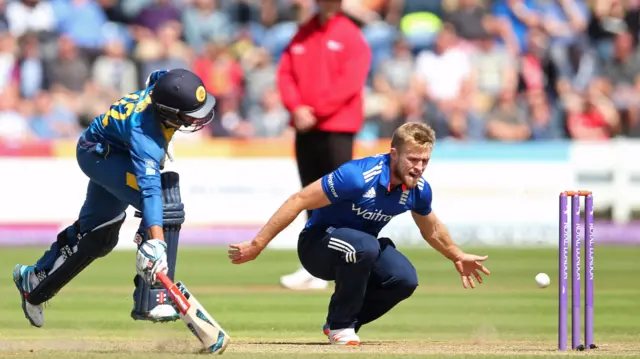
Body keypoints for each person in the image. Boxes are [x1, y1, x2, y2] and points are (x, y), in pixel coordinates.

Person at [228, 122, 491, 345]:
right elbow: (299, 200)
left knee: (404, 279)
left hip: (361, 248)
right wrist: (257, 244)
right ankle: (341, 325)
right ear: (393, 154)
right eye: (413, 159)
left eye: (425, 161)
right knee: (365, 245)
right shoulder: (357, 177)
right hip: (317, 246)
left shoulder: (418, 189)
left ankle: (341, 322)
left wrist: (456, 254)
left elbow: (431, 227)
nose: (419, 167)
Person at [12, 68, 216, 328]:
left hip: (109, 150)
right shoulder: (145, 136)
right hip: (102, 157)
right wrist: (158, 246)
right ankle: (152, 299)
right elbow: (150, 190)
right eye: (187, 116)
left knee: (99, 238)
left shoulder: (161, 90)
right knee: (164, 207)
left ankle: (35, 281)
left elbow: (156, 76)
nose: (194, 120)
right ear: (166, 111)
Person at [277, 0, 372, 290]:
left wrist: (312, 110)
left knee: (340, 197)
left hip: (337, 128)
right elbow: (285, 74)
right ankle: (314, 265)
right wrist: (295, 108)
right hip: (306, 127)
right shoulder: (303, 33)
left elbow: (350, 83)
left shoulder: (350, 35)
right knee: (310, 196)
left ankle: (344, 262)